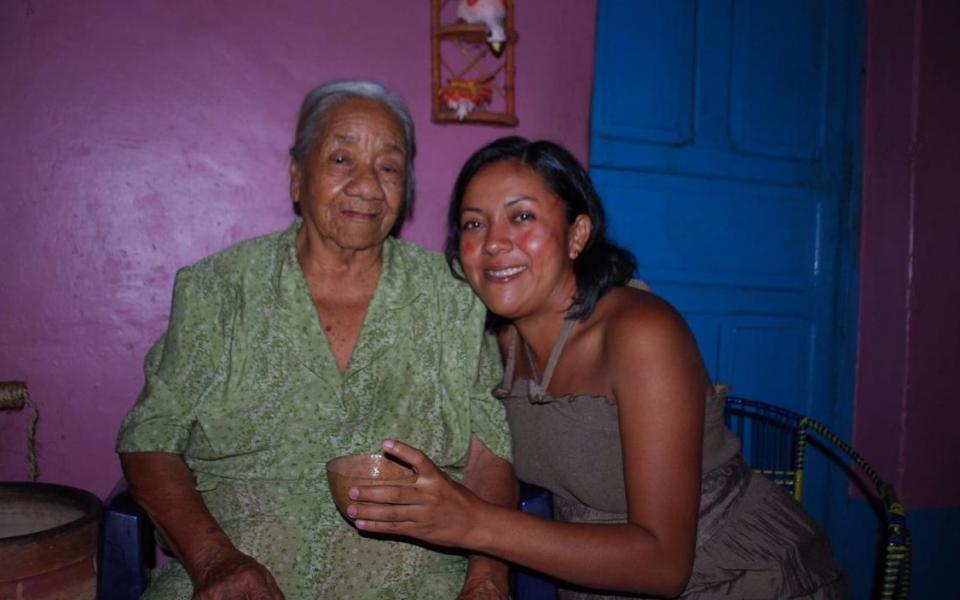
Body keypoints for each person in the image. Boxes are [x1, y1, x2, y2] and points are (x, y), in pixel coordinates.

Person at [349, 137, 846, 598]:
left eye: (521, 217)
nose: (495, 242)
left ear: (576, 234)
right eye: (474, 224)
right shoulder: (502, 339)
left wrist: (472, 522)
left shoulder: (640, 333)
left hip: (738, 577)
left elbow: (665, 564)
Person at [116, 81, 515, 600]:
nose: (368, 186)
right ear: (297, 176)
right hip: (236, 579)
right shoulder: (221, 290)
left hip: (417, 584)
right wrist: (214, 561)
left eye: (389, 168)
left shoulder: (453, 297)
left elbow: (489, 459)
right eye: (342, 158)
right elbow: (151, 439)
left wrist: (487, 578)